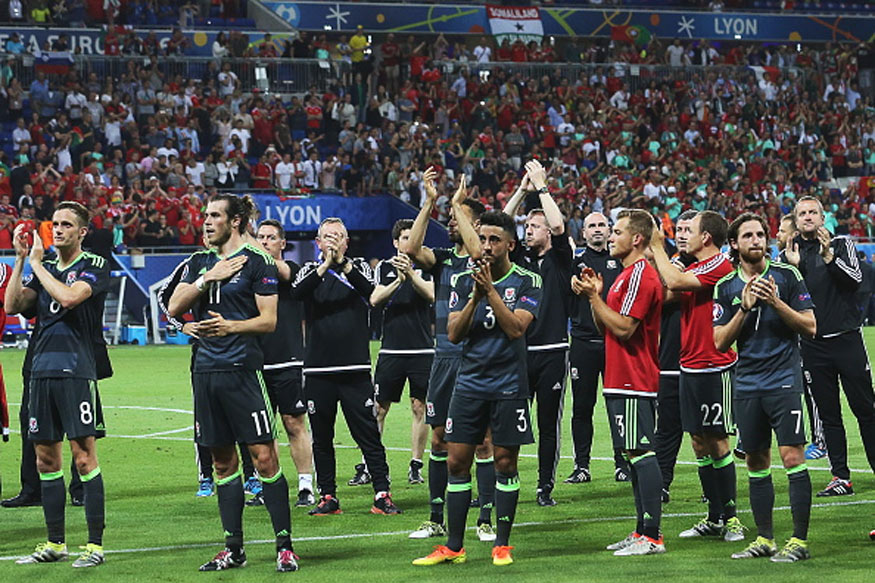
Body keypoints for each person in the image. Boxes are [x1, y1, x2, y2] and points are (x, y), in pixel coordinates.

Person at [168, 194, 297, 573]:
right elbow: (175, 306)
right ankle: (233, 549)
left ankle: (284, 546)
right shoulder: (199, 262)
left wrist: (231, 327)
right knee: (222, 463)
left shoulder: (259, 262)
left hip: (243, 369)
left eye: (215, 216)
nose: (206, 222)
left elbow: (268, 320)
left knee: (264, 457)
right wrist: (210, 277)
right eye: (205, 216)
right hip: (205, 371)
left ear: (236, 221)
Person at [413, 211, 541, 567]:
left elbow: (516, 329)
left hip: (509, 385)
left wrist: (491, 293)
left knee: (504, 461)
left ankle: (502, 544)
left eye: (494, 240)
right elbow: (453, 333)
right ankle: (454, 546)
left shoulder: (530, 281)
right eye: (482, 239)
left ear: (510, 245)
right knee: (456, 462)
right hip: (468, 383)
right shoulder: (462, 280)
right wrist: (474, 296)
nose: (485, 246)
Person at [5, 202, 110, 568]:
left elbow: (68, 297)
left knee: (83, 457)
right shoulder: (45, 267)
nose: (59, 230)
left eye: (67, 225)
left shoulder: (94, 265)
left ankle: (94, 546)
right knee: (45, 459)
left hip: (76, 370)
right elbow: (12, 305)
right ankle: (55, 542)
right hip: (40, 371)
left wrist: (35, 264)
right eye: (55, 224)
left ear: (82, 232)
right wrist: (21, 260)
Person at [714, 212, 816, 563]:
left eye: (760, 234)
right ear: (734, 244)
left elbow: (810, 326)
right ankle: (765, 539)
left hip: (783, 379)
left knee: (791, 456)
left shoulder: (787, 276)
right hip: (747, 382)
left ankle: (798, 541)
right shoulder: (725, 287)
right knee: (756, 459)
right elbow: (719, 343)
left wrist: (775, 302)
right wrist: (744, 308)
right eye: (748, 236)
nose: (756, 240)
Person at [406, 172, 496, 542]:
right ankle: (436, 517)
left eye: (459, 219)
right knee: (440, 438)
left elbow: (477, 250)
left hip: (476, 359)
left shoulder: (483, 260)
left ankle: (486, 518)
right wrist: (429, 202)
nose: (452, 224)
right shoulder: (443, 259)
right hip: (444, 359)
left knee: (483, 441)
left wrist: (458, 204)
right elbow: (412, 250)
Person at [291, 217, 400, 516]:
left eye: (338, 236)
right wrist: (325, 265)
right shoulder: (308, 270)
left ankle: (381, 493)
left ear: (347, 242)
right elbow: (297, 293)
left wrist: (343, 264)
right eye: (327, 236)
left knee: (368, 434)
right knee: (322, 437)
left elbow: (371, 293)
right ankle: (328, 496)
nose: (333, 240)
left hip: (355, 368)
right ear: (317, 242)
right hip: (317, 370)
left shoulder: (360, 267)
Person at [573, 209, 665, 556]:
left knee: (641, 453)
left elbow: (626, 329)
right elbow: (607, 327)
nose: (611, 236)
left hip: (634, 377)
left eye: (617, 231)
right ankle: (641, 530)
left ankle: (652, 535)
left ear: (636, 239)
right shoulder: (627, 275)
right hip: (620, 376)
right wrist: (594, 296)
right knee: (632, 453)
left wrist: (595, 298)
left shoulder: (641, 275)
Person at [649, 210, 745, 541]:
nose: (682, 235)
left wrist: (657, 246)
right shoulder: (694, 267)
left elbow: (673, 284)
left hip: (714, 365)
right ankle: (714, 517)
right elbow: (666, 295)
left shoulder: (718, 265)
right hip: (688, 364)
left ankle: (732, 517)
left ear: (706, 237)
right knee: (699, 443)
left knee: (717, 441)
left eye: (690, 231)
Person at [782, 196, 875, 496]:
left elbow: (855, 280)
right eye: (802, 213)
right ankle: (840, 477)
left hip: (847, 340)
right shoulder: (790, 254)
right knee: (828, 414)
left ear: (823, 218)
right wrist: (796, 269)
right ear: (796, 220)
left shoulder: (842, 244)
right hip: (812, 346)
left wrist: (828, 257)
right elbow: (788, 300)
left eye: (813, 212)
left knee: (866, 409)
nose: (808, 217)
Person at [502, 160, 572, 506]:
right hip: (517, 351)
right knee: (510, 423)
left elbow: (558, 225)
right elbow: (498, 226)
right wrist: (521, 191)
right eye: (526, 225)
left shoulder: (561, 259)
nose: (528, 230)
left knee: (547, 424)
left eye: (535, 226)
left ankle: (545, 487)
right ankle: (504, 481)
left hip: (553, 351)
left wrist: (543, 189)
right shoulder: (519, 260)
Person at [253, 219, 315, 508]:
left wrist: (247, 240)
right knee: (262, 430)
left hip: (288, 359)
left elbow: (283, 272)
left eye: (269, 237)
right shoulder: (250, 274)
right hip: (255, 361)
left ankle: (305, 486)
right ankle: (270, 486)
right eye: (260, 237)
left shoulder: (294, 270)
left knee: (294, 424)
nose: (264, 241)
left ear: (281, 243)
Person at [370, 218, 434, 485]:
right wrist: (399, 280)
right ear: (396, 242)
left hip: (422, 350)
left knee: (420, 407)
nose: (410, 241)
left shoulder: (428, 266)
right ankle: (370, 463)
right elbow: (375, 299)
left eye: (414, 236)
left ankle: (416, 464)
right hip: (391, 350)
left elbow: (431, 295)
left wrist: (411, 275)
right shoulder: (384, 267)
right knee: (379, 408)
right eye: (405, 237)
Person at [565, 211, 626, 484]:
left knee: (618, 406)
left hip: (615, 342)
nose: (598, 230)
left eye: (602, 225)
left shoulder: (621, 261)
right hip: (582, 343)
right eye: (592, 226)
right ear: (584, 232)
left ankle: (622, 463)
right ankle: (582, 466)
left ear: (610, 230)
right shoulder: (574, 263)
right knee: (582, 407)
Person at [653, 210, 697, 503]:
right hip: (669, 358)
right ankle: (661, 483)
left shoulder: (712, 264)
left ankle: (714, 492)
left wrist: (673, 270)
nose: (681, 234)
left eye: (687, 229)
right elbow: (657, 295)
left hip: (702, 360)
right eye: (678, 229)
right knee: (666, 428)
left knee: (704, 433)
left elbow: (671, 292)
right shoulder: (669, 265)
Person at [777, 213, 827, 461]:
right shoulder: (779, 261)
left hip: (806, 337)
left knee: (811, 388)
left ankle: (821, 439)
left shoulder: (800, 261)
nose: (777, 235)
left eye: (782, 231)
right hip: (788, 339)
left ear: (794, 235)